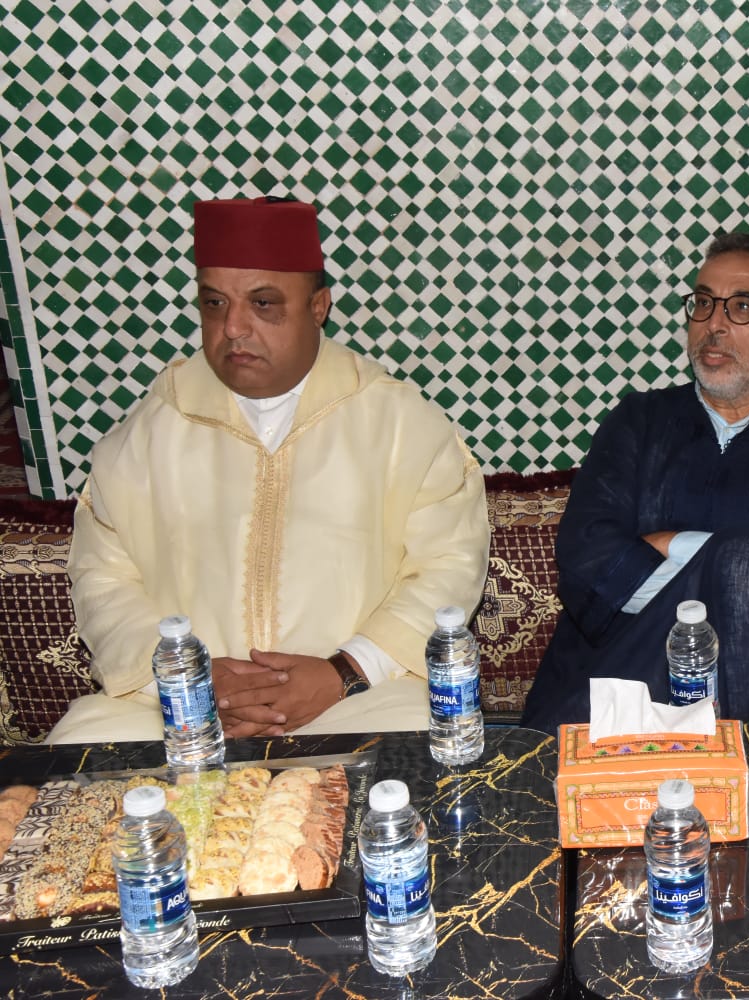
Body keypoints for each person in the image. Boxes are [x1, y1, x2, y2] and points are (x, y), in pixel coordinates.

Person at [49, 197, 489, 743]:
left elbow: (449, 562)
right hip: (178, 708)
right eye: (214, 303)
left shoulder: (400, 423)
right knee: (79, 749)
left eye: (263, 304)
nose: (233, 327)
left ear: (318, 306)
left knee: (429, 740)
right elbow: (103, 575)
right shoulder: (150, 430)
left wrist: (345, 671)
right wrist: (189, 679)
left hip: (357, 701)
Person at [520, 232, 749, 729]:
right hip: (630, 668)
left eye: (743, 307)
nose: (714, 324)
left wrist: (669, 545)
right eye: (704, 303)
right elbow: (589, 561)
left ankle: (748, 766)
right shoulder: (639, 420)